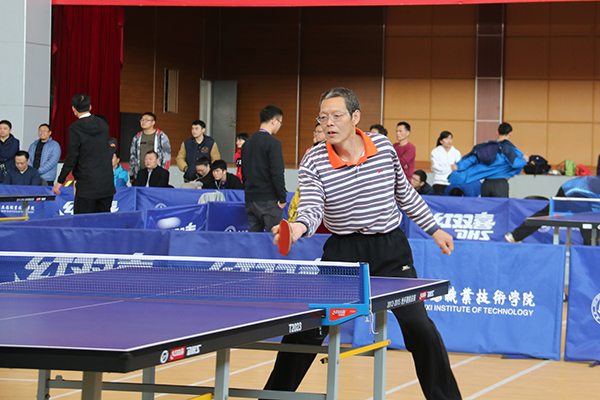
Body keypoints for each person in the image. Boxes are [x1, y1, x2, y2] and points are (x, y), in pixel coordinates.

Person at [265, 87, 461, 400]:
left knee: (421, 329)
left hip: (390, 250)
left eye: (336, 116)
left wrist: (434, 229)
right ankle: (272, 397)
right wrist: (299, 227)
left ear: (355, 117)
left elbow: (405, 194)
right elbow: (312, 208)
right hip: (343, 252)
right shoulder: (314, 159)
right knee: (308, 329)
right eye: (323, 117)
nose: (329, 123)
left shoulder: (382, 146)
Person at [52, 94, 115, 214]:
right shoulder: (103, 124)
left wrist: (60, 181)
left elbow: (72, 157)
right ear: (90, 107)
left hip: (87, 184)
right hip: (106, 183)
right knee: (103, 221)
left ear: (73, 109)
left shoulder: (75, 128)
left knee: (82, 221)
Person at [505, 175, 600, 245]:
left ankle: (514, 236)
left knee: (546, 214)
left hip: (568, 188)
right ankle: (590, 251)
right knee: (587, 221)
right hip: (574, 192)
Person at [241, 105, 287, 233]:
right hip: (269, 200)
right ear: (274, 121)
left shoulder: (247, 144)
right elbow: (277, 173)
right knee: (276, 237)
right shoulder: (273, 143)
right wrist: (282, 197)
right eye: (280, 123)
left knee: (254, 238)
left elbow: (244, 172)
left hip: (250, 198)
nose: (279, 126)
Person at [450, 123, 527, 198]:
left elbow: (473, 158)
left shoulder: (488, 147)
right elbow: (516, 164)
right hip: (500, 184)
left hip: (486, 184)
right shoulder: (508, 148)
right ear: (510, 133)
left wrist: (458, 166)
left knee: (486, 207)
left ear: (497, 132)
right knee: (500, 206)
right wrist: (524, 159)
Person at [129, 112, 171, 182]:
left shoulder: (161, 136)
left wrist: (164, 172)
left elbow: (167, 156)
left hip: (157, 173)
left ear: (153, 122)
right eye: (142, 120)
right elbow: (132, 156)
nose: (143, 122)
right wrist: (132, 174)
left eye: (147, 120)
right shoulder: (137, 137)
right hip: (140, 173)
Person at [430, 131, 461, 195]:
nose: (449, 141)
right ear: (441, 141)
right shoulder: (435, 152)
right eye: (446, 139)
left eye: (450, 138)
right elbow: (435, 168)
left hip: (452, 182)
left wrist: (444, 169)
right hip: (438, 181)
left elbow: (458, 167)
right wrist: (450, 168)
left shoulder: (456, 152)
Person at [0, 120, 20, 184]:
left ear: (10, 130)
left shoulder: (15, 142)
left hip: (9, 171)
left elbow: (10, 155)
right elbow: (6, 155)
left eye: (5, 128)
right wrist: (4, 159)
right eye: (0, 128)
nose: (2, 130)